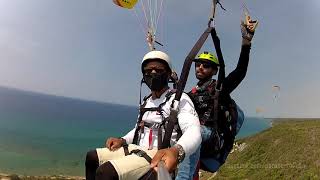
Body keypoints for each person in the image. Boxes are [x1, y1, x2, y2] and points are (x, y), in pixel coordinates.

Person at [85, 50, 201, 180]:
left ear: (168, 74)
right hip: (137, 149)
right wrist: (122, 140)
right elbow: (138, 130)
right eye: (148, 70)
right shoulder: (146, 101)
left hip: (159, 155)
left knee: (105, 172)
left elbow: (194, 130)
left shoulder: (179, 99)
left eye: (158, 70)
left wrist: (176, 151)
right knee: (92, 157)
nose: (152, 73)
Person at [179, 14, 258, 175]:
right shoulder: (190, 94)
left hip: (212, 137)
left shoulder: (219, 88)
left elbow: (240, 72)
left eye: (206, 66)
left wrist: (246, 42)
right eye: (198, 64)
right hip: (197, 137)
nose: (200, 67)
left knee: (194, 132)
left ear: (214, 70)